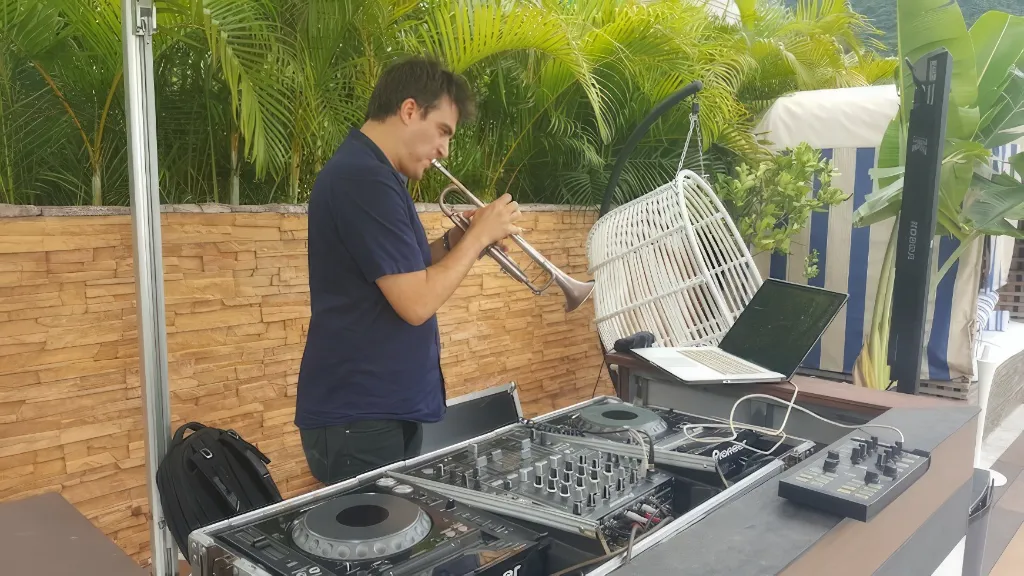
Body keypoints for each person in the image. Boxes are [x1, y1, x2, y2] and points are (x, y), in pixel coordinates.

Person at [295, 56, 523, 485]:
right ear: (409, 110)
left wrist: (461, 239)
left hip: (377, 411)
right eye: (443, 132)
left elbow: (405, 271)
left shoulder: (378, 176)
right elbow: (416, 302)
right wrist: (477, 239)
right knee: (377, 551)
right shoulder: (363, 179)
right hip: (361, 416)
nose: (444, 150)